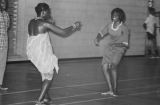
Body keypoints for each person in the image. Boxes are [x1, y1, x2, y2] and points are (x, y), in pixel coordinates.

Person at [26, 3, 81, 105]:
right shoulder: (44, 24)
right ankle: (39, 101)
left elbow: (39, 30)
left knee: (44, 74)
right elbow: (64, 32)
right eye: (48, 11)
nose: (49, 13)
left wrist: (48, 22)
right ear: (43, 12)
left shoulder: (31, 21)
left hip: (32, 52)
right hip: (41, 52)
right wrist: (74, 26)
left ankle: (47, 98)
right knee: (49, 75)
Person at [94, 8, 130, 96]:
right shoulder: (109, 25)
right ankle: (110, 89)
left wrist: (116, 45)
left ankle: (115, 89)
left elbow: (125, 44)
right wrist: (97, 38)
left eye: (116, 15)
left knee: (113, 66)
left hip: (119, 49)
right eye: (113, 14)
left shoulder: (124, 28)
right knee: (104, 67)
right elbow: (101, 33)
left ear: (120, 16)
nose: (114, 16)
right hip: (109, 48)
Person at [0, 0, 10, 91]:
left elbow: (7, 27)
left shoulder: (6, 14)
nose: (4, 5)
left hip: (4, 43)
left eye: (5, 3)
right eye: (2, 3)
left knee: (2, 64)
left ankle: (0, 84)